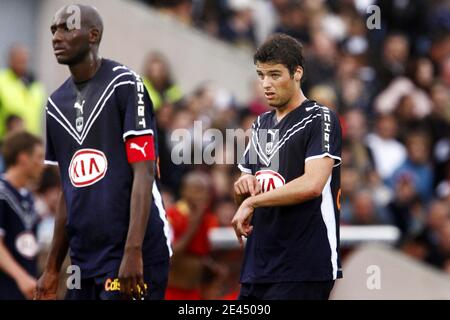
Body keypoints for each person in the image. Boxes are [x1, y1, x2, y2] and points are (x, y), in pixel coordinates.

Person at [34, 4, 171, 300]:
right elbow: (66, 191)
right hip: (83, 262)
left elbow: (144, 171)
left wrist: (133, 251)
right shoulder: (54, 104)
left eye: (66, 27)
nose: (57, 36)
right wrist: (53, 267)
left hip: (132, 253)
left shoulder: (126, 83)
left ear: (93, 35)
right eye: (53, 30)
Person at [232, 34, 342, 300]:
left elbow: (312, 184)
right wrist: (242, 189)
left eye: (274, 75)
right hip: (259, 264)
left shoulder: (320, 118)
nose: (266, 84)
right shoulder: (261, 124)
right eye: (261, 75)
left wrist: (252, 203)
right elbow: (244, 194)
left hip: (303, 263)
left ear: (297, 73)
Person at [0, 131, 44, 299]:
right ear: (23, 158)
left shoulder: (29, 197)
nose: (43, 164)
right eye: (39, 157)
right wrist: (21, 277)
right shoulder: (2, 192)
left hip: (25, 289)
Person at [0, 45, 46, 137]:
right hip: (7, 141)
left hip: (31, 141)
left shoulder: (36, 84)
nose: (22, 62)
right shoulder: (2, 80)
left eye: (24, 59)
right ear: (10, 60)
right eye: (18, 59)